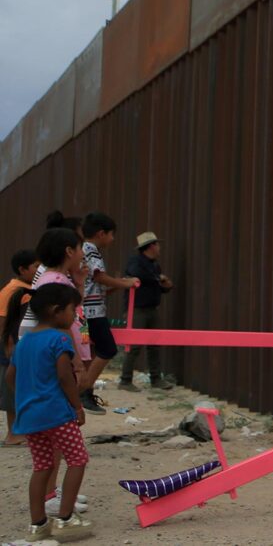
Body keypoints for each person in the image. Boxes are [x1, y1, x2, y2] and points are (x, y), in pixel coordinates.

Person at [6, 283, 93, 541]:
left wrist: (29, 394)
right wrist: (77, 406)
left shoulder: (24, 342)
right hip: (57, 413)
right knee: (77, 459)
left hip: (30, 416)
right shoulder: (59, 339)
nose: (74, 316)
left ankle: (38, 525)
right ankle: (65, 519)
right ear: (56, 311)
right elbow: (65, 376)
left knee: (41, 466)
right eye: (72, 310)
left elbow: (11, 377)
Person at [77, 213, 139, 413]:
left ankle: (84, 391)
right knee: (107, 349)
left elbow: (94, 282)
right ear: (101, 233)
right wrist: (124, 282)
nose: (113, 239)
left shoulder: (84, 249)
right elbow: (99, 276)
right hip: (91, 312)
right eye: (112, 235)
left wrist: (117, 285)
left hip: (86, 311)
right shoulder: (91, 250)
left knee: (91, 352)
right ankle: (84, 390)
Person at [120, 232, 174, 390]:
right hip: (137, 309)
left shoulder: (155, 265)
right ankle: (125, 380)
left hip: (151, 308)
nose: (159, 248)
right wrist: (159, 279)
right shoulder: (136, 262)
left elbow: (156, 285)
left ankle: (156, 379)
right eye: (157, 244)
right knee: (134, 346)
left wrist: (165, 284)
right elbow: (139, 276)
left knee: (154, 345)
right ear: (151, 246)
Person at [1, 249, 39, 446]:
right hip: (12, 347)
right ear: (23, 269)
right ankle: (13, 434)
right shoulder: (14, 290)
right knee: (13, 391)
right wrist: (9, 345)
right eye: (35, 266)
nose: (38, 269)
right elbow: (3, 320)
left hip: (20, 346)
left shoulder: (27, 289)